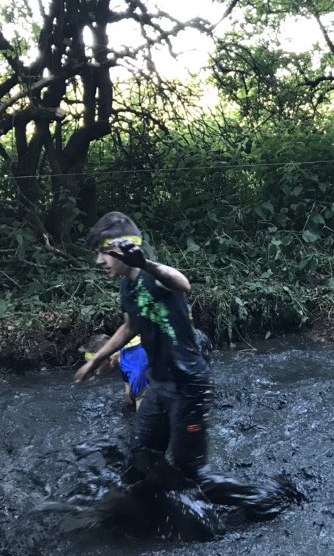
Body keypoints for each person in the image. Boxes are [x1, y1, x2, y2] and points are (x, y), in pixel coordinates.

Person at [73, 211, 294, 534]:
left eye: (103, 252)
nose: (98, 260)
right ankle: (137, 519)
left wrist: (146, 263)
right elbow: (130, 325)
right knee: (140, 460)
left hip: (189, 384)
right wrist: (97, 360)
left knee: (193, 474)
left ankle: (265, 499)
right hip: (159, 384)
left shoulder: (155, 276)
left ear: (122, 248)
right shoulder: (127, 286)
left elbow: (182, 283)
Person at [81, 333, 149, 409]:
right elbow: (126, 371)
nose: (94, 371)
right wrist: (128, 393)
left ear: (108, 359)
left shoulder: (135, 370)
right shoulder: (122, 348)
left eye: (94, 367)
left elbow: (143, 412)